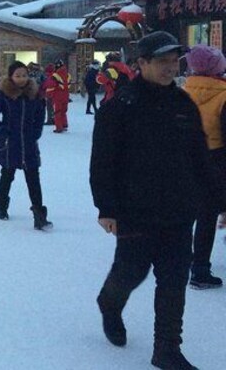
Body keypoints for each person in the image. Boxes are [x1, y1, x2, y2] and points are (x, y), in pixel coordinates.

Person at [90, 31, 226, 370]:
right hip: (135, 210)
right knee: (131, 271)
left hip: (180, 211)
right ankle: (110, 303)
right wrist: (106, 208)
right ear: (142, 63)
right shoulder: (121, 106)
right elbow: (103, 161)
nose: (170, 68)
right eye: (162, 61)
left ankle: (167, 349)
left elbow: (200, 159)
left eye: (173, 61)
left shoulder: (183, 104)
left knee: (174, 279)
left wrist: (220, 200)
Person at [181, 44, 226, 290]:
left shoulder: (182, 92)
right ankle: (200, 270)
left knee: (187, 214)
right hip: (214, 161)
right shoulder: (223, 95)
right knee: (207, 217)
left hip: (185, 161)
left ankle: (182, 259)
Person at [0, 61, 51, 229]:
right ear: (11, 77)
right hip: (10, 143)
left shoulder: (34, 94)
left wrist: (36, 132)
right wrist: (2, 130)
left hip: (29, 143)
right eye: (17, 75)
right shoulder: (4, 94)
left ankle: (39, 215)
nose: (21, 79)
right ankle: (2, 204)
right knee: (7, 175)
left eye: (24, 75)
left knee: (33, 178)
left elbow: (39, 114)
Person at [45, 60, 70, 133]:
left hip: (57, 96)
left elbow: (51, 86)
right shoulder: (68, 74)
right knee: (63, 111)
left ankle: (59, 127)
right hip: (66, 95)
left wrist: (48, 94)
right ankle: (64, 124)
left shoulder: (55, 75)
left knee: (57, 112)